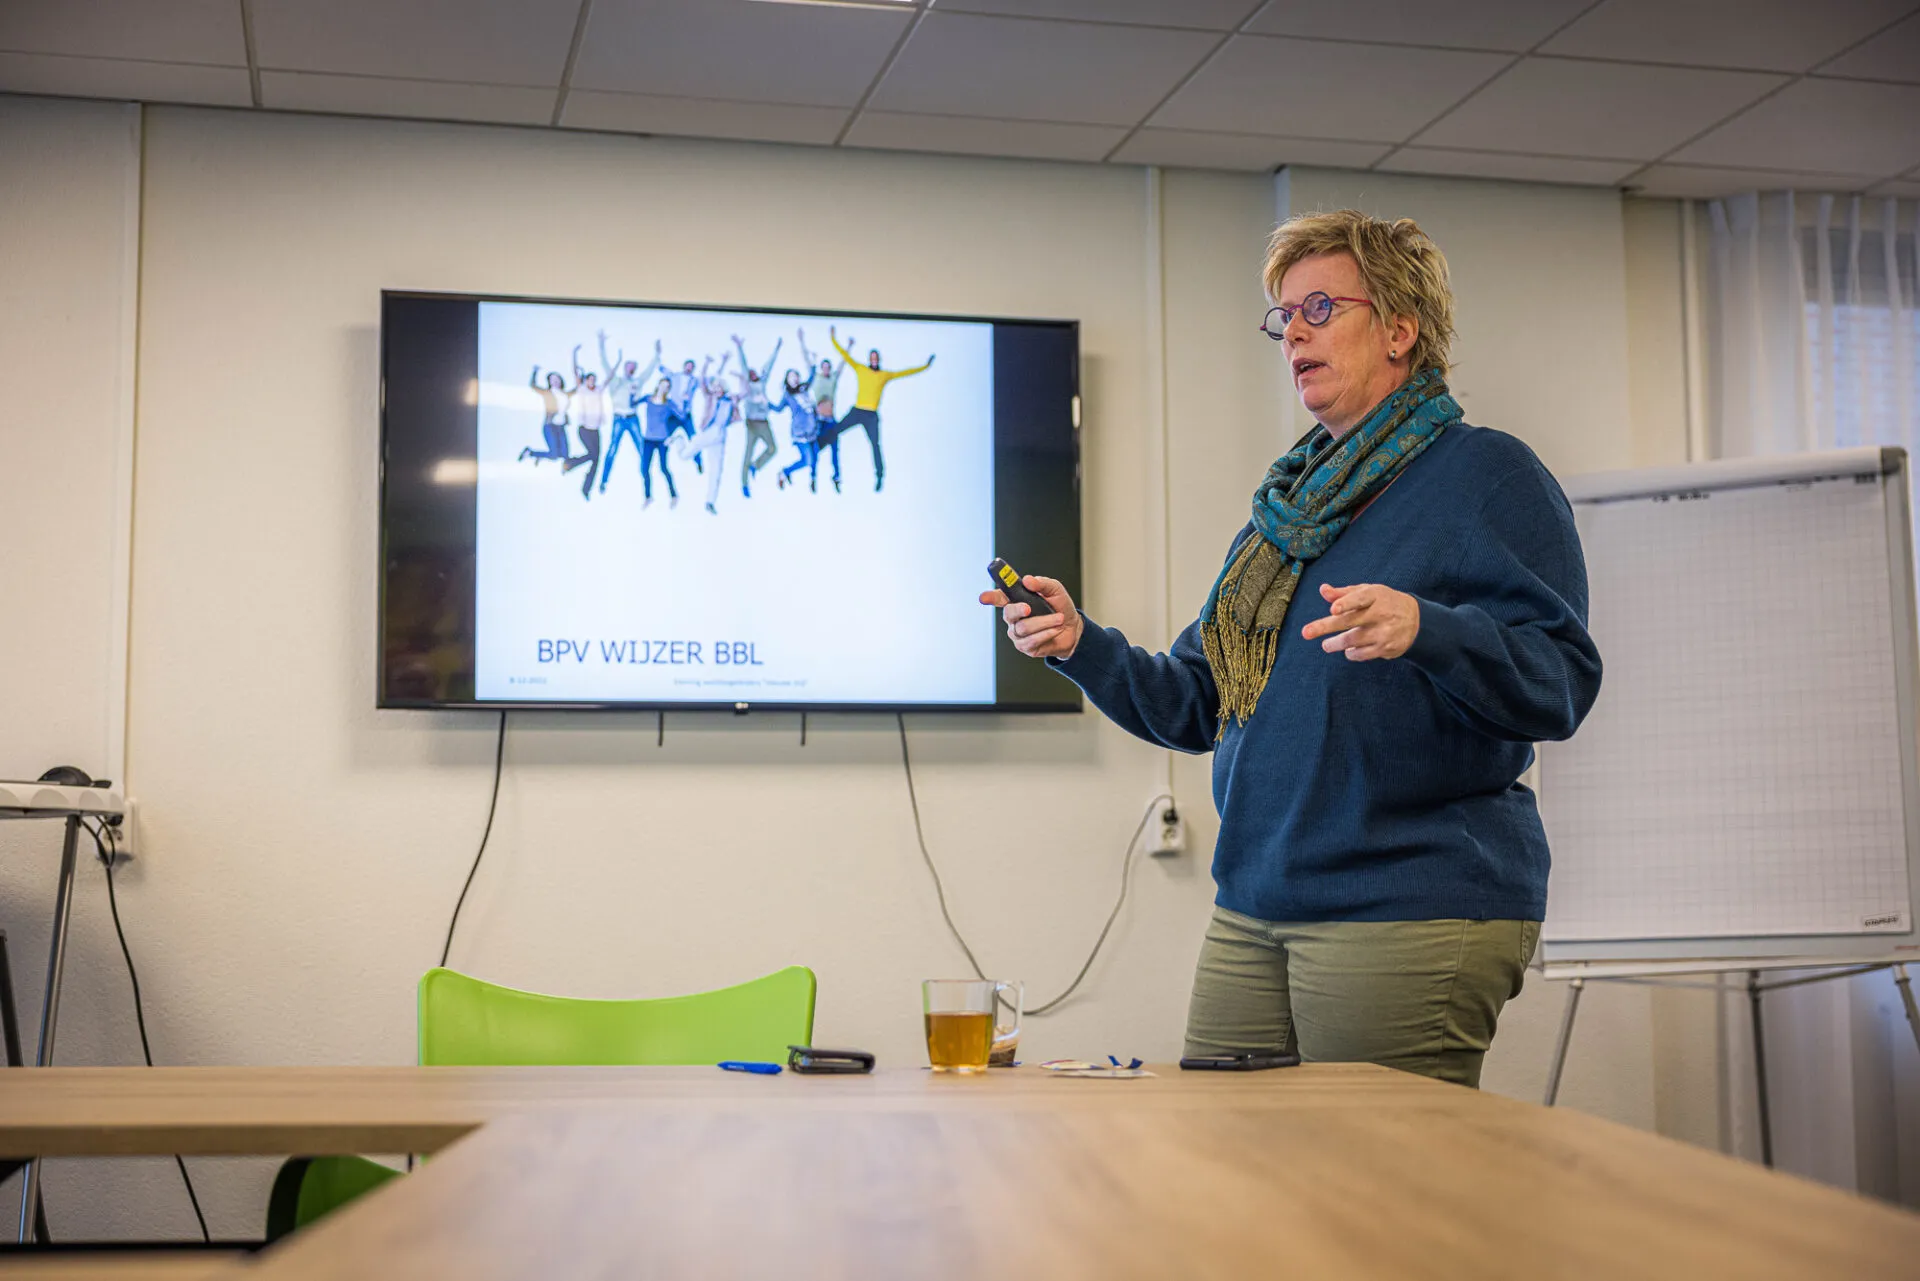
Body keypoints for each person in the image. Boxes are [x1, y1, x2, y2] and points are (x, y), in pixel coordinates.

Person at [982, 210, 1602, 1088]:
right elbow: (1199, 700)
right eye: (1283, 316)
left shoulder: (1487, 477)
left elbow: (1561, 681)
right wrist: (1081, 643)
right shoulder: (1286, 513)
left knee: (1366, 1204)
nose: (1294, 333)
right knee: (1228, 1186)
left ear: (1399, 327)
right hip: (1255, 902)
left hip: (1405, 902)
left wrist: (1429, 628)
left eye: (1320, 307)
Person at [829, 326, 933, 492]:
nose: (874, 360)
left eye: (876, 358)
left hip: (871, 415)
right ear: (869, 359)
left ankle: (879, 476)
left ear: (879, 359)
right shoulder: (861, 369)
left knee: (875, 445)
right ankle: (817, 453)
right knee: (835, 430)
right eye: (872, 357)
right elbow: (845, 356)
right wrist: (833, 338)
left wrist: (925, 366)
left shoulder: (884, 375)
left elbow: (905, 372)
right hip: (857, 411)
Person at [599, 332, 662, 494]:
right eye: (629, 367)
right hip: (619, 418)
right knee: (612, 449)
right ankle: (603, 481)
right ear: (625, 368)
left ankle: (648, 483)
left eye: (633, 368)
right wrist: (601, 344)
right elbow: (605, 364)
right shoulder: (616, 381)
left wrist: (657, 354)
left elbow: (649, 370)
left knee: (642, 449)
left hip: (632, 418)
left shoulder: (637, 382)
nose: (631, 370)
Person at [676, 356, 734, 514]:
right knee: (684, 455)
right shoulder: (709, 397)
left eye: (719, 387)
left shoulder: (730, 401)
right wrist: (707, 363)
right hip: (708, 432)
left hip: (720, 437)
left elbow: (744, 392)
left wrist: (724, 363)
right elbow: (702, 380)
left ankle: (710, 502)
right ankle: (680, 439)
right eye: (714, 387)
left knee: (716, 471)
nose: (716, 389)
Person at [731, 333, 782, 498]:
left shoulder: (761, 383)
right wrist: (739, 347)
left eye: (754, 373)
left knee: (772, 448)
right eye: (750, 373)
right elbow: (743, 364)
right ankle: (744, 484)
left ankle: (756, 466)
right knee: (747, 453)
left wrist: (776, 349)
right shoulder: (748, 387)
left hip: (764, 422)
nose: (752, 374)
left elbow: (770, 365)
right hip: (752, 423)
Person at [798, 329, 843, 492]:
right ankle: (813, 477)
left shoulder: (832, 379)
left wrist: (849, 348)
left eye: (827, 367)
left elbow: (842, 365)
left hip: (831, 421)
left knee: (835, 452)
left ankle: (837, 477)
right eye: (823, 367)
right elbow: (805, 360)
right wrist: (802, 341)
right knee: (815, 450)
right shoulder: (816, 378)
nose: (825, 369)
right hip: (819, 422)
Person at [562, 345, 605, 501]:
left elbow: (608, 378)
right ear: (586, 380)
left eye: (594, 380)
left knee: (595, 459)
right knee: (593, 456)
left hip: (596, 431)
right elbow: (575, 371)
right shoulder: (581, 389)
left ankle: (585, 488)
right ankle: (569, 464)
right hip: (585, 430)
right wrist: (574, 354)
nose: (592, 382)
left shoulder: (598, 390)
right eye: (590, 379)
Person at [774, 367, 820, 491]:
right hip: (800, 433)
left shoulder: (803, 390)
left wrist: (813, 366)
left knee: (815, 456)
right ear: (787, 381)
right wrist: (765, 403)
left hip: (812, 430)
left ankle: (813, 480)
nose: (794, 378)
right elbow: (778, 409)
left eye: (795, 376)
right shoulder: (788, 395)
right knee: (808, 460)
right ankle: (784, 472)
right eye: (790, 377)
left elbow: (811, 378)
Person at [638, 377, 678, 508]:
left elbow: (682, 417)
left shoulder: (669, 404)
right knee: (644, 469)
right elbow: (632, 403)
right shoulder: (648, 399)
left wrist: (672, 436)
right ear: (658, 384)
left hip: (662, 440)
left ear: (668, 389)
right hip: (648, 439)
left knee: (664, 468)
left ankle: (674, 496)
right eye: (662, 384)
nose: (663, 388)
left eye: (667, 386)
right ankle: (648, 497)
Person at [662, 354, 705, 473]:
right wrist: (657, 359)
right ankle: (660, 459)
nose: (689, 368)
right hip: (674, 414)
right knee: (664, 435)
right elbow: (665, 371)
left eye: (691, 367)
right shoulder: (675, 376)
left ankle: (699, 462)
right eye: (688, 366)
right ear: (684, 366)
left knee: (693, 438)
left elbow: (705, 382)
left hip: (686, 415)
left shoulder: (694, 381)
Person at [520, 367, 570, 464]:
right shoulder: (547, 393)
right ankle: (530, 453)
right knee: (554, 455)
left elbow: (578, 388)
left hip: (561, 427)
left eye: (557, 379)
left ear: (560, 380)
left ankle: (541, 456)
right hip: (550, 426)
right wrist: (534, 372)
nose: (555, 381)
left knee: (564, 455)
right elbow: (533, 385)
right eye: (552, 379)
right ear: (549, 382)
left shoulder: (565, 394)